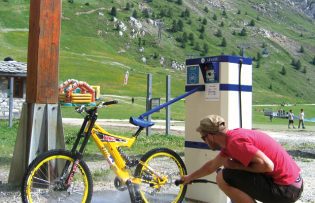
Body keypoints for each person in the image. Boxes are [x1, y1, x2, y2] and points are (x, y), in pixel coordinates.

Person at [181, 115, 303, 203]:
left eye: (203, 138)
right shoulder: (232, 138)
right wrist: (189, 178)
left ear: (210, 136)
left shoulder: (235, 143)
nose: (205, 141)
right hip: (294, 184)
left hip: (286, 189)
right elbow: (211, 166)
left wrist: (235, 166)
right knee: (226, 173)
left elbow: (268, 166)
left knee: (223, 176)